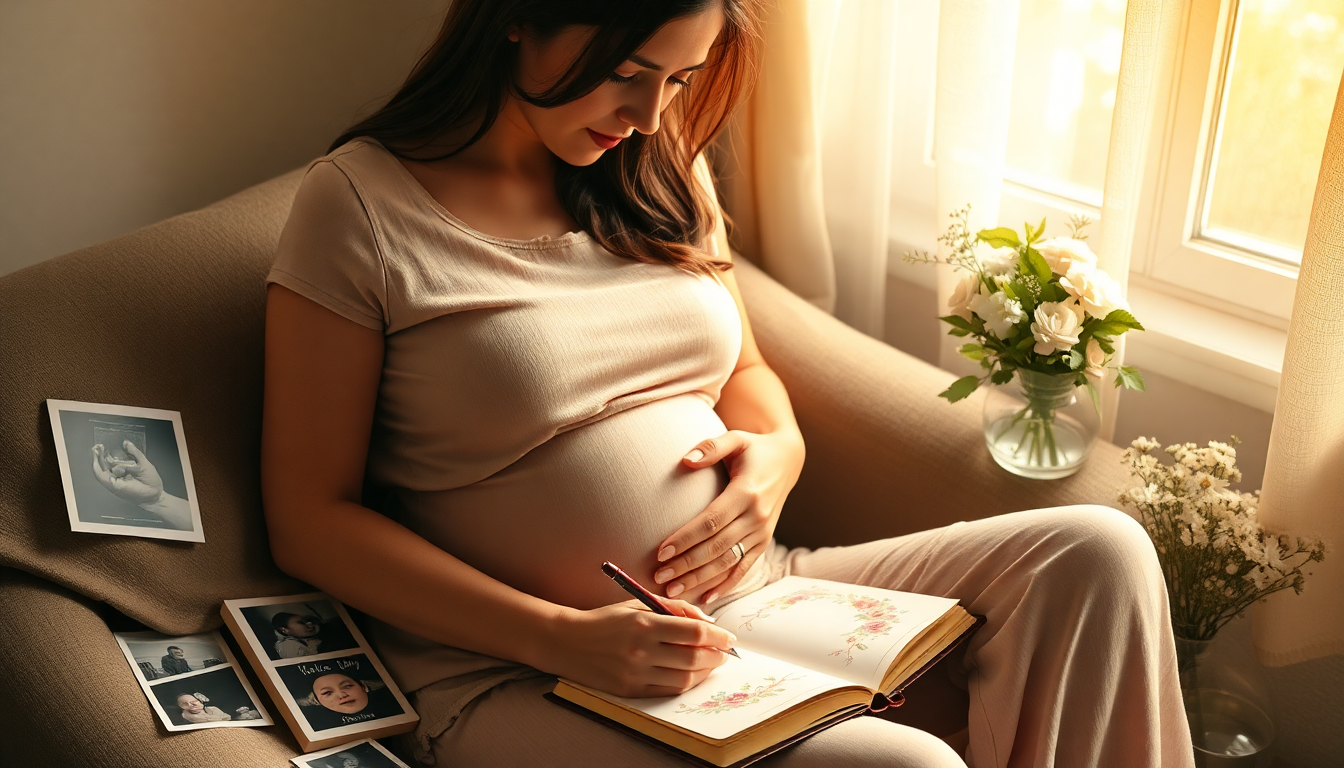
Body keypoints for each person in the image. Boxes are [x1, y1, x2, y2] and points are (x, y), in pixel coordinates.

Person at [260, 1, 1196, 766]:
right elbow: (311, 517)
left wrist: (774, 466)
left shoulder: (659, 173)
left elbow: (745, 375)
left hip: (760, 592)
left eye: (678, 80)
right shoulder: (358, 205)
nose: (651, 115)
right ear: (519, 17)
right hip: (519, 667)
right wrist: (557, 635)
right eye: (631, 72)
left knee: (1099, 551)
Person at [90, 439, 192, 530]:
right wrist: (96, 458)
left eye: (122, 458)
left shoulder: (133, 468)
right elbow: (107, 471)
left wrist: (156, 496)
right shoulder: (119, 472)